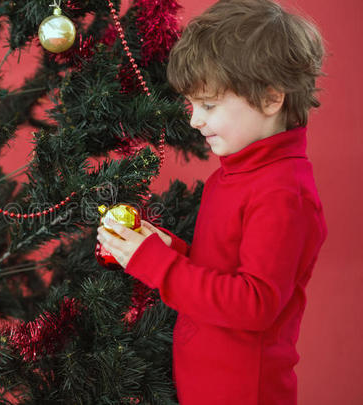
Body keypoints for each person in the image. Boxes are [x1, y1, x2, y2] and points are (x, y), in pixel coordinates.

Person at [96, 0, 327, 404]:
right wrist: (174, 250)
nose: (193, 120)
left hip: (242, 392)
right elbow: (224, 273)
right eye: (192, 105)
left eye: (208, 105)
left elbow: (253, 304)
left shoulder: (282, 193)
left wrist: (157, 263)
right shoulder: (236, 174)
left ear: (271, 99)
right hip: (205, 384)